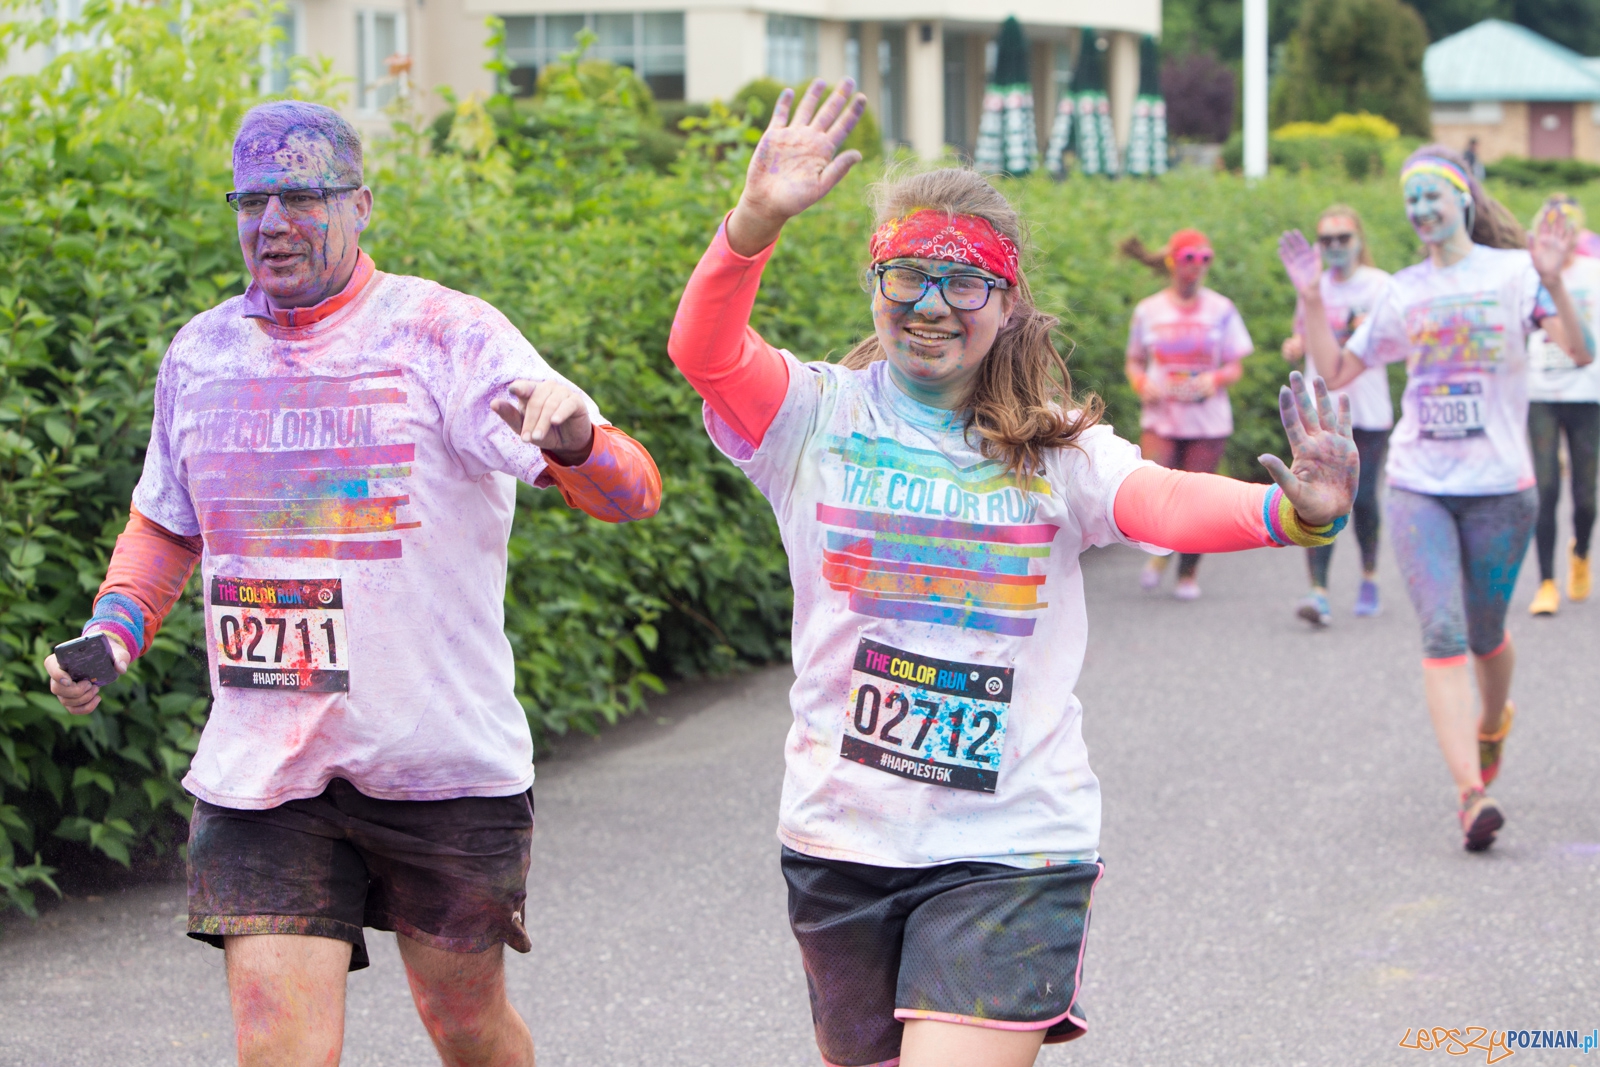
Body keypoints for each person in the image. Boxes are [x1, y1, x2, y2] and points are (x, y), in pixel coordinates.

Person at [670, 78, 1354, 1067]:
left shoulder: (1057, 451)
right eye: (905, 275)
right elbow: (704, 350)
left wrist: (1286, 511)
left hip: (1013, 842)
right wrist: (751, 224)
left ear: (1006, 301)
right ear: (875, 283)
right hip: (839, 837)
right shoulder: (811, 416)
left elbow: (1158, 499)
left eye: (963, 284)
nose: (931, 305)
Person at [41, 102, 661, 1067]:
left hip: (439, 761)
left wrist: (581, 443)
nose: (271, 222)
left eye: (300, 196)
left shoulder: (446, 335)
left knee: (466, 1028)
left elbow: (631, 492)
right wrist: (113, 630)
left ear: (360, 204)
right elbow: (167, 523)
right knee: (277, 1047)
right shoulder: (200, 354)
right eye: (251, 200)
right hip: (265, 769)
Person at [1281, 145, 1588, 852]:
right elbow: (1335, 369)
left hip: (1502, 490)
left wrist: (1552, 280)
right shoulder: (1401, 289)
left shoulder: (1515, 274)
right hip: (1420, 482)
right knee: (1443, 632)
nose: (1421, 209)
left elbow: (1579, 350)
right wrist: (1310, 299)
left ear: (1464, 199)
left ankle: (1493, 719)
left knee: (1486, 633)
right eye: (1410, 199)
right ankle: (1469, 794)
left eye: (1432, 195)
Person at [1122, 228, 1254, 599]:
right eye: (1188, 259)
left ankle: (1187, 574)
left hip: (1207, 420)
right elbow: (1134, 361)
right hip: (1162, 416)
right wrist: (1139, 382)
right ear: (1172, 262)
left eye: (1204, 259)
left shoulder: (1222, 309)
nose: (1196, 268)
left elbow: (1236, 365)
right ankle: (1160, 553)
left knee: (1196, 500)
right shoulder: (1148, 310)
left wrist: (1216, 379)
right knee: (1157, 491)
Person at [1281, 205, 1394, 625]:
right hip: (1319, 409)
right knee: (1318, 499)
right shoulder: (1312, 286)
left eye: (1342, 238)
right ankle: (1319, 592)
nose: (1334, 247)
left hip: (1367, 408)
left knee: (1363, 499)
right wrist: (1294, 346)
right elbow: (1302, 332)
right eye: (1326, 240)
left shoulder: (1381, 285)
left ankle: (1369, 575)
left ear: (1359, 240)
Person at [1523, 194, 1600, 616]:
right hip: (1540, 396)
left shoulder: (1594, 272)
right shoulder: (1528, 275)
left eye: (1564, 228)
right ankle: (1546, 582)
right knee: (1546, 489)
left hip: (1587, 395)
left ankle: (1582, 551)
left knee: (1585, 497)